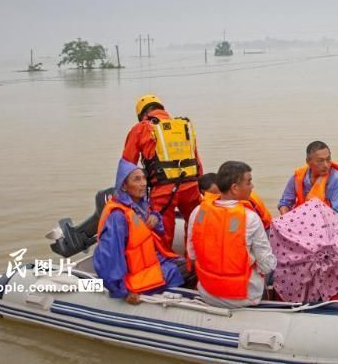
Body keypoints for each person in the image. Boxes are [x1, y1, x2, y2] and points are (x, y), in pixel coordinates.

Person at [93, 159, 185, 304]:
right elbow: (108, 258)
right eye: (137, 179)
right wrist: (123, 291)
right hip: (135, 276)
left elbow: (157, 232)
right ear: (124, 186)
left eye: (144, 178)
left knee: (189, 265)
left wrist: (155, 217)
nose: (143, 183)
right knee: (185, 270)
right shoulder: (118, 217)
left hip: (151, 262)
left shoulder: (140, 206)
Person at [187, 161, 277, 308]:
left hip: (207, 291)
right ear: (235, 188)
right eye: (249, 182)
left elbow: (192, 254)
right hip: (243, 297)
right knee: (272, 263)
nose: (252, 187)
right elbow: (267, 266)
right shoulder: (250, 218)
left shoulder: (198, 212)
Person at [123, 94, 203, 252]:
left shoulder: (141, 128)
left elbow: (127, 165)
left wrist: (123, 195)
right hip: (192, 186)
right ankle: (192, 264)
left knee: (162, 235)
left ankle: (165, 268)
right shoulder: (184, 126)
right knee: (196, 227)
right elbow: (197, 161)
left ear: (141, 115)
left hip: (163, 191)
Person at [278, 141, 338, 219]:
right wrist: (287, 220)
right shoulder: (298, 176)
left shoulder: (337, 179)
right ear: (308, 162)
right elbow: (285, 203)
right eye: (320, 161)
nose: (326, 165)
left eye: (328, 159)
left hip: (331, 223)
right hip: (302, 220)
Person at [200, 172, 273, 230]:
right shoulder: (201, 209)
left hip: (265, 228)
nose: (216, 198)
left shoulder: (243, 199)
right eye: (211, 196)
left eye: (218, 194)